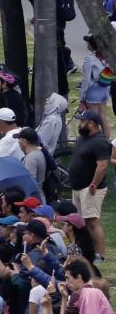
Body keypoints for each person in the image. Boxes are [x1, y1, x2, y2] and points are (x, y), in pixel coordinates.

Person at [69, 109, 110, 262]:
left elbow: (103, 166)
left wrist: (94, 183)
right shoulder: (83, 138)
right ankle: (85, 250)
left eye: (82, 121)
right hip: (79, 187)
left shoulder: (100, 142)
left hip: (91, 187)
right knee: (80, 220)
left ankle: (100, 255)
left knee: (92, 221)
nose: (80, 124)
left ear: (91, 123)